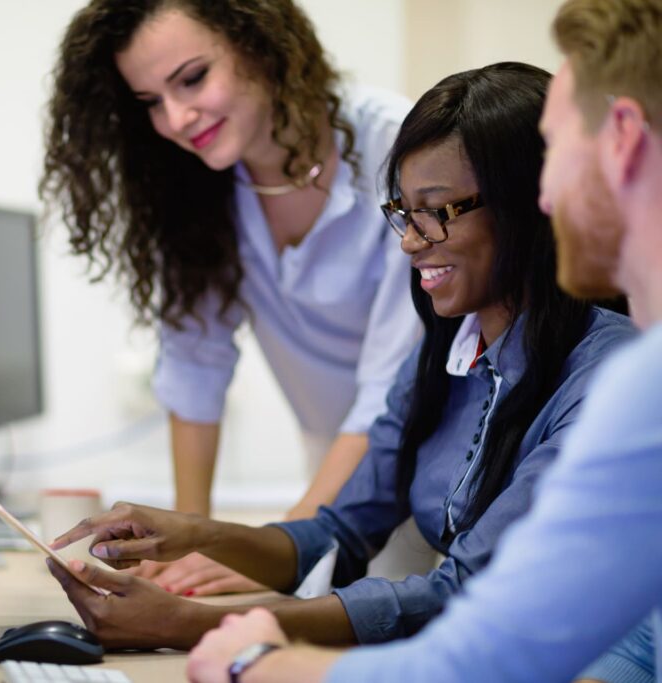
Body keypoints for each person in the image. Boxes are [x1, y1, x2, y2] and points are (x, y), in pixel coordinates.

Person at [46, 62, 635, 652]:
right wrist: (188, 534)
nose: (409, 240)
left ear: (534, 203)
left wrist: (192, 624)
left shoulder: (610, 377)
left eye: (436, 211)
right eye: (405, 212)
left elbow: (468, 593)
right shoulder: (445, 354)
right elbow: (340, 531)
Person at [184, 0, 662, 681]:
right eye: (406, 213)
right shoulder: (456, 349)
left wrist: (254, 659)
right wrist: (190, 537)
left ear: (621, 137)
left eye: (558, 152)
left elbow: (483, 648)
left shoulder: (633, 379)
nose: (547, 196)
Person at [39, 0, 423, 596]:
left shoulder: (397, 148)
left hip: (433, 470)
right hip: (330, 461)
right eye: (150, 103)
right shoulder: (198, 184)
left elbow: (386, 395)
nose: (176, 118)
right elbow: (195, 370)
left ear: (260, 43)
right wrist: (181, 546)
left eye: (192, 79)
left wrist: (270, 551)